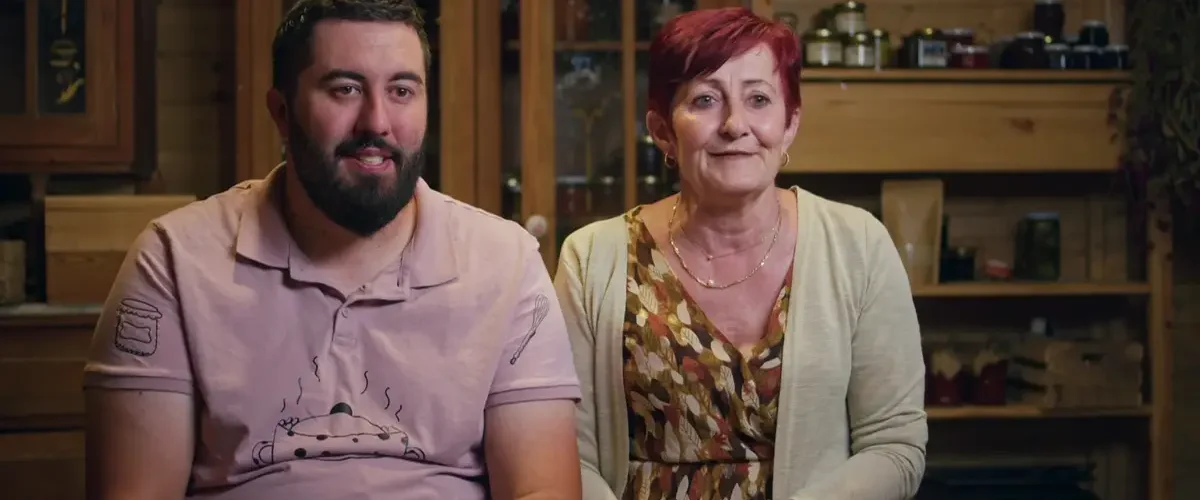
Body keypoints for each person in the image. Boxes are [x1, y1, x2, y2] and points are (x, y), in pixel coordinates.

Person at [82, 1, 583, 498]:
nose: (376, 122)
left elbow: (541, 491)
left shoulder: (506, 263)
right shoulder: (174, 260)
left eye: (402, 90)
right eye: (345, 89)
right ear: (282, 112)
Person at [554, 7, 927, 500]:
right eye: (706, 100)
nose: (735, 124)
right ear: (663, 130)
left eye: (758, 99)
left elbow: (894, 445)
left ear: (790, 123)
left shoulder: (859, 245)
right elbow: (565, 454)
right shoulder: (591, 258)